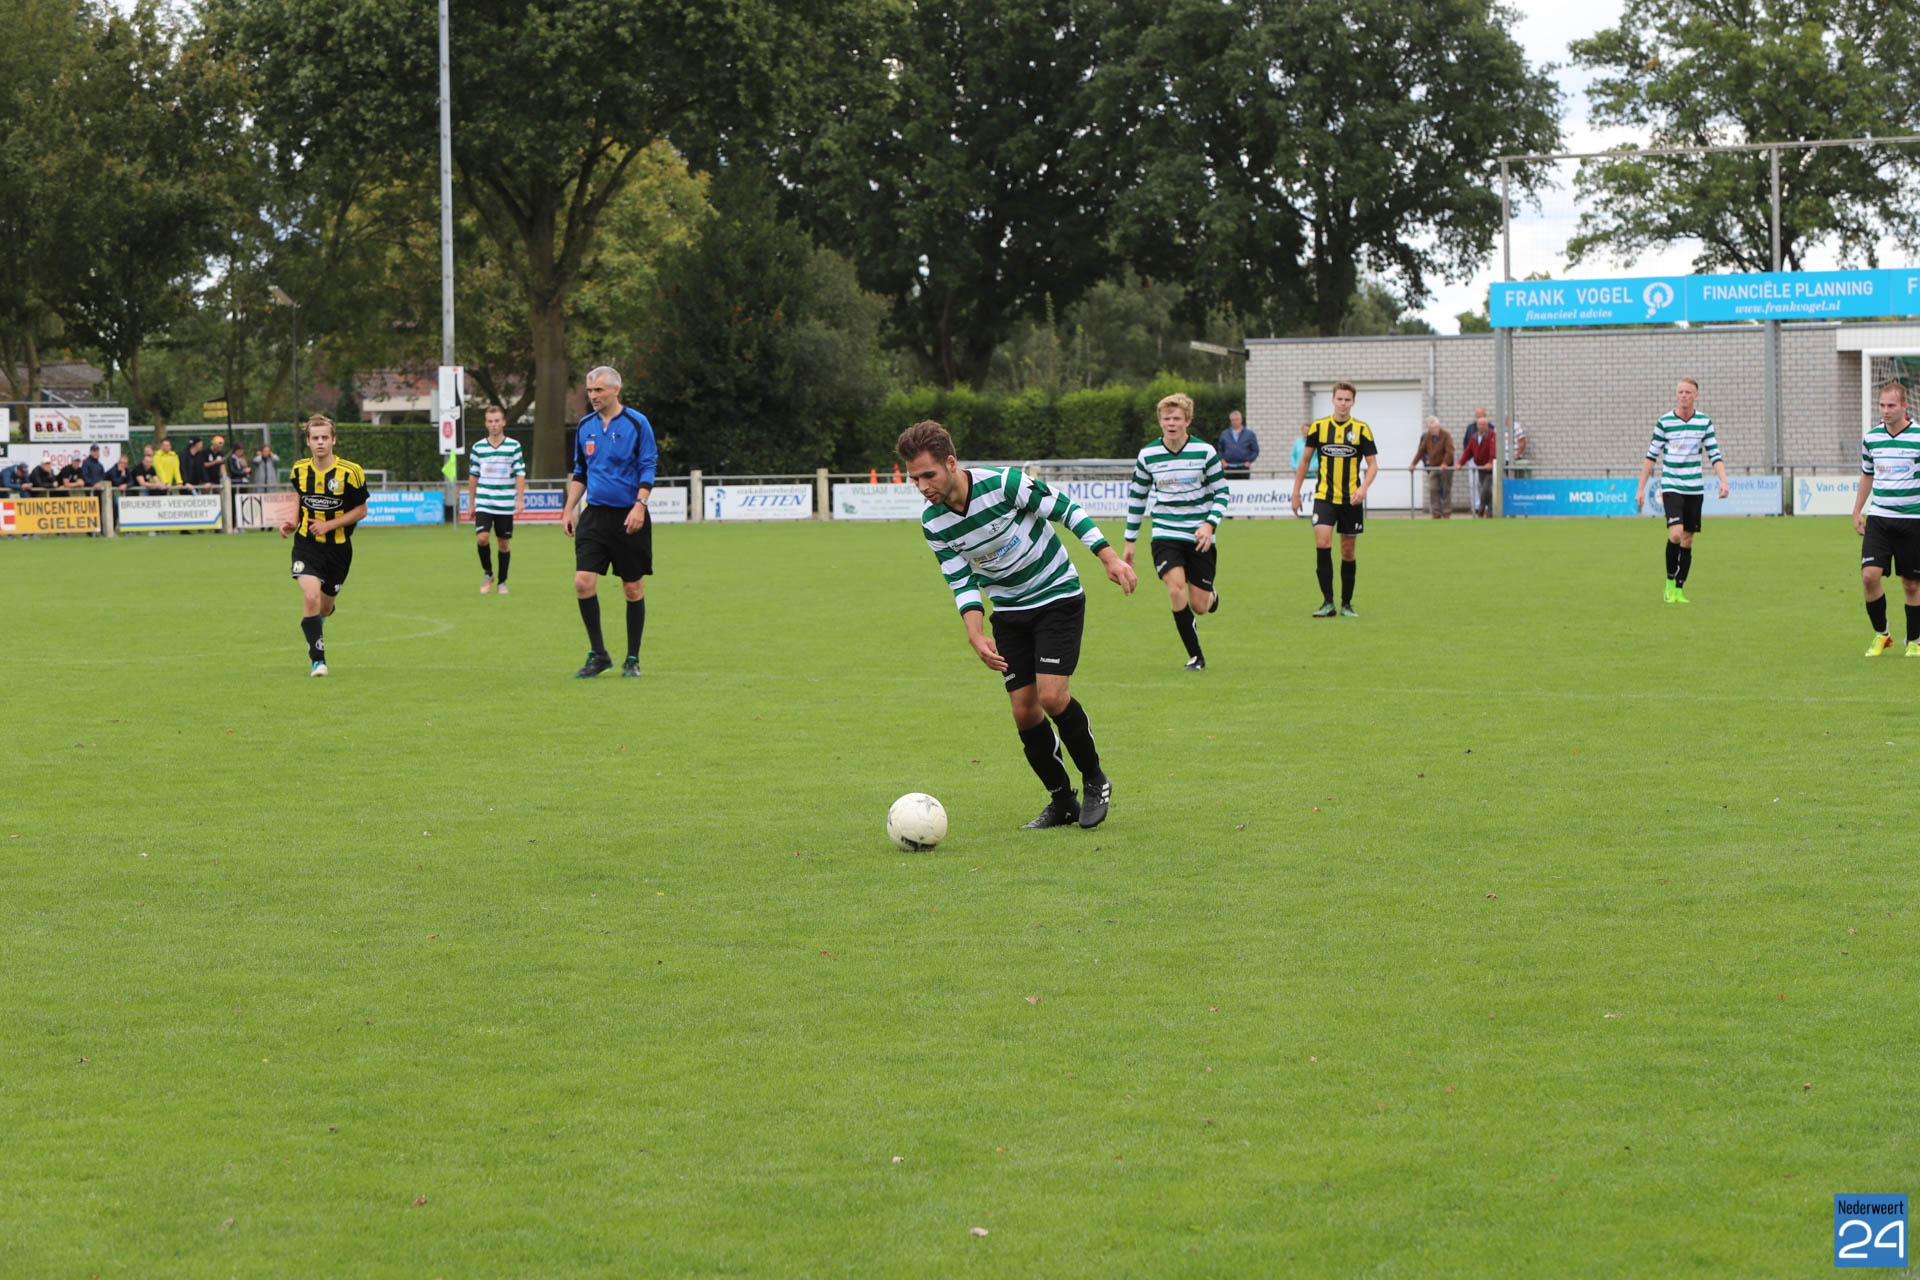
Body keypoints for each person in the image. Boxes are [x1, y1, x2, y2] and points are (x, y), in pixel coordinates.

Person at [897, 419, 1136, 830]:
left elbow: (1066, 509)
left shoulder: (1004, 484)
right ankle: (1062, 801)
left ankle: (1095, 779)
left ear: (951, 463)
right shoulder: (933, 522)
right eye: (914, 478)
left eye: (928, 475)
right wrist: (974, 632)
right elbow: (960, 580)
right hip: (1009, 612)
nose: (922, 486)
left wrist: (1108, 557)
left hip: (1056, 596)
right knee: (1024, 711)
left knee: (1052, 696)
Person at [562, 366, 656, 678]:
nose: (593, 396)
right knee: (582, 581)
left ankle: (633, 658)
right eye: (590, 391)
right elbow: (580, 472)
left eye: (599, 390)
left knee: (632, 588)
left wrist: (640, 505)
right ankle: (599, 654)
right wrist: (568, 509)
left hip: (629, 515)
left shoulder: (638, 423)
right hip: (594, 516)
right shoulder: (584, 426)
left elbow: (647, 467)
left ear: (616, 389)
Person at [1124, 392, 1228, 670]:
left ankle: (1211, 596)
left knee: (1200, 606)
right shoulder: (1148, 455)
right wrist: (1130, 540)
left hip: (1199, 535)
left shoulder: (1205, 452)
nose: (1171, 423)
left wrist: (1209, 523)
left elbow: (1222, 493)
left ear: (1187, 421)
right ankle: (1196, 656)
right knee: (1175, 589)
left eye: (1177, 418)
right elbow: (1137, 498)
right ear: (1160, 421)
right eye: (1166, 418)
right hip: (1165, 534)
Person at [278, 415, 369, 677]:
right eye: (315, 438)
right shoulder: (299, 470)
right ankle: (318, 662)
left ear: (333, 440)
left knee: (324, 608)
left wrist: (329, 526)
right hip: (306, 545)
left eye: (325, 438)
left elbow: (361, 510)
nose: (320, 442)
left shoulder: (351, 472)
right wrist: (294, 521)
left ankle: (321, 616)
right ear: (308, 441)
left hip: (338, 550)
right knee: (310, 597)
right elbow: (300, 496)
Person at [1635, 377, 1727, 604]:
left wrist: (1723, 481)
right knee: (1675, 534)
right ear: (1676, 395)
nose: (1684, 395)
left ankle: (1679, 588)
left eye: (1688, 392)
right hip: (1672, 485)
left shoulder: (1704, 422)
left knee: (1688, 539)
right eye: (1681, 392)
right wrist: (1641, 488)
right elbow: (1651, 457)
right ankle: (1669, 582)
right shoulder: (1664, 422)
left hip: (1694, 488)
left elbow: (1714, 454)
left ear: (1696, 396)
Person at [1291, 382, 1377, 617]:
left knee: (1348, 552)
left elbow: (1372, 465)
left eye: (1347, 400)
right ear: (1333, 400)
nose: (1343, 403)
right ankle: (1327, 602)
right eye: (1339, 399)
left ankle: (1347, 604)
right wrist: (1296, 492)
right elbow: (1305, 460)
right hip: (1324, 497)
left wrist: (1363, 488)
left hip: (1351, 500)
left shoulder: (1361, 429)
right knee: (1323, 544)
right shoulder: (1318, 427)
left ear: (1353, 402)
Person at [1852, 380, 1920, 656]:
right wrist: (1857, 510)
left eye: (1891, 405)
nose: (1885, 410)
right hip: (1879, 519)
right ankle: (1882, 634)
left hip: (1913, 520)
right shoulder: (1871, 438)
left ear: (1904, 406)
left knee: (1911, 583)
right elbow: (1867, 474)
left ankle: (1914, 640)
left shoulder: (1918, 437)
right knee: (1869, 576)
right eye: (1882, 405)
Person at [468, 405, 527, 594]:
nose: (494, 424)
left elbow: (520, 474)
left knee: (503, 543)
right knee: (482, 538)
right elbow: (473, 476)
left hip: (505, 503)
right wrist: (471, 503)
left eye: (497, 421)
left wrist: (520, 499)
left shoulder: (513, 446)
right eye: (490, 421)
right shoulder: (478, 448)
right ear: (486, 424)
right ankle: (488, 573)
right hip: (484, 502)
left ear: (503, 422)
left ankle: (502, 582)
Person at [1410, 417, 1455, 519]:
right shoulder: (1428, 436)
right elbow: (1421, 450)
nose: (1432, 430)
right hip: (1433, 467)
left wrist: (1445, 463)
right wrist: (1413, 464)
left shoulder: (1446, 435)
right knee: (1433, 489)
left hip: (1445, 468)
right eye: (1431, 428)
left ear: (1438, 427)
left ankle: (1446, 512)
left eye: (1434, 428)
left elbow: (1450, 452)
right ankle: (1436, 512)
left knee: (1446, 490)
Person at [1457, 415, 1495, 517]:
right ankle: (1490, 512)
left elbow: (1493, 450)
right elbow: (1468, 451)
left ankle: (1481, 509)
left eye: (1483, 424)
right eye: (1479, 424)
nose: (1481, 426)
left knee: (1486, 489)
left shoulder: (1492, 435)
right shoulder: (1474, 436)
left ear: (1487, 425)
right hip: (1480, 468)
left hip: (1490, 469)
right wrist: (1460, 463)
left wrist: (1490, 462)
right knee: (1487, 491)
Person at [1218, 409, 1258, 479]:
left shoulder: (1249, 434)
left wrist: (1249, 461)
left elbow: (1255, 450)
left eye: (1237, 419)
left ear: (1241, 420)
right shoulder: (1224, 434)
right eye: (1233, 420)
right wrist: (1223, 461)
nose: (1235, 422)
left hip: (1243, 468)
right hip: (1228, 467)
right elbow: (1220, 449)